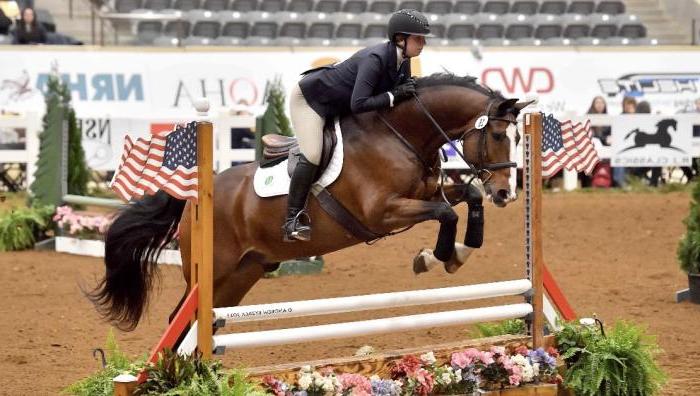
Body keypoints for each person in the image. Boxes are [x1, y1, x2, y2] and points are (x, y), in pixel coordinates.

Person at [282, 9, 431, 242]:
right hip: (311, 102)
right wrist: (393, 95)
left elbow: (400, 95)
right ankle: (292, 219)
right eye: (418, 38)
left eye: (423, 39)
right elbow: (360, 102)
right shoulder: (376, 59)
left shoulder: (403, 60)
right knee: (312, 153)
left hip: (340, 105)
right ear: (400, 39)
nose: (423, 44)